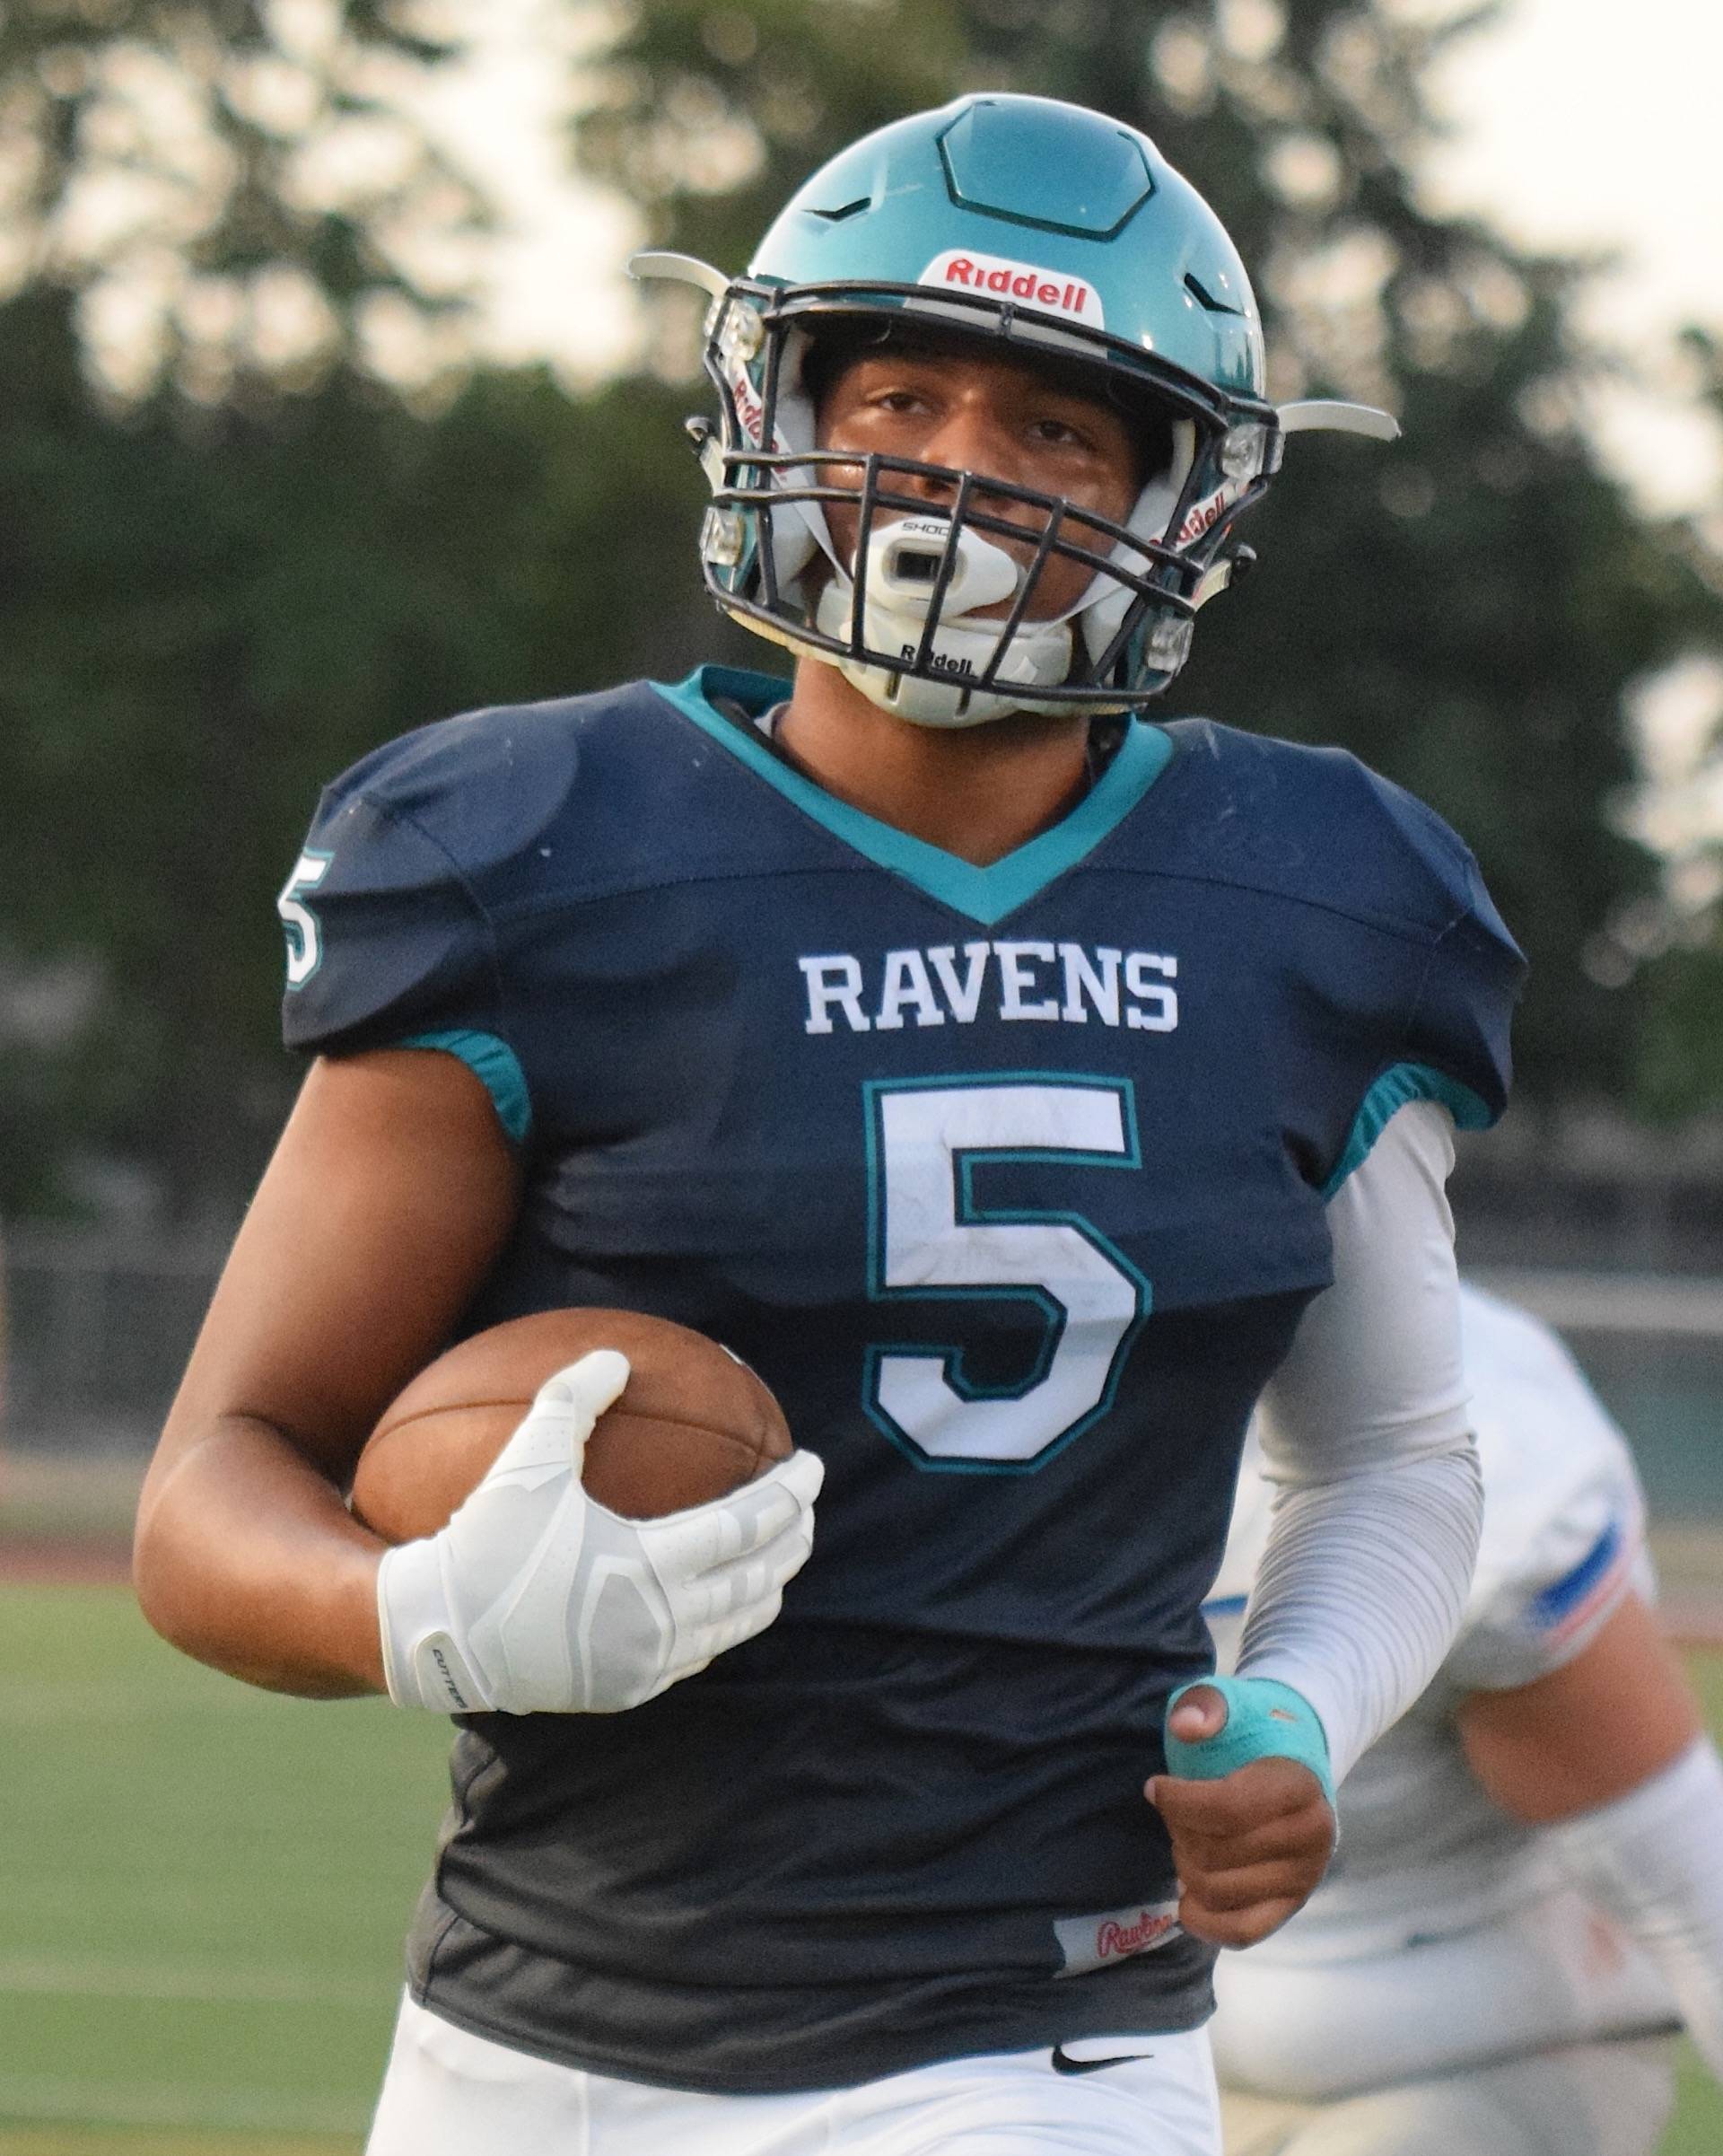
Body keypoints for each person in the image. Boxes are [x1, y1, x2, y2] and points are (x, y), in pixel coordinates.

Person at [133, 93, 1524, 2156]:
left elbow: (1394, 1454)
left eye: (1059, 428)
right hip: (519, 2047)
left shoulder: (1315, 894)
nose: (960, 464)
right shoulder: (526, 849)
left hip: (1028, 2043)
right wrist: (416, 1611)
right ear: (777, 409)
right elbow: (211, 1495)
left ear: (1180, 501)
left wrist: (1293, 1710)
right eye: (899, 390)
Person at [1210, 1282, 1723, 2156]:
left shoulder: (1482, 1443)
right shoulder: (935, 1416)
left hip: (1461, 2052)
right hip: (1094, 2039)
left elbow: (1694, 1893)